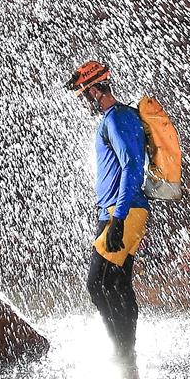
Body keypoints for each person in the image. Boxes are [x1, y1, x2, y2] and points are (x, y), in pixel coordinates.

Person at [66, 59, 148, 353]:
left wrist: (119, 217)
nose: (83, 102)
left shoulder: (116, 118)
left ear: (96, 89)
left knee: (97, 284)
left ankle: (121, 351)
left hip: (123, 212)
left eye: (84, 94)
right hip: (116, 212)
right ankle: (127, 351)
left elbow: (133, 166)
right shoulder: (113, 118)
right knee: (117, 283)